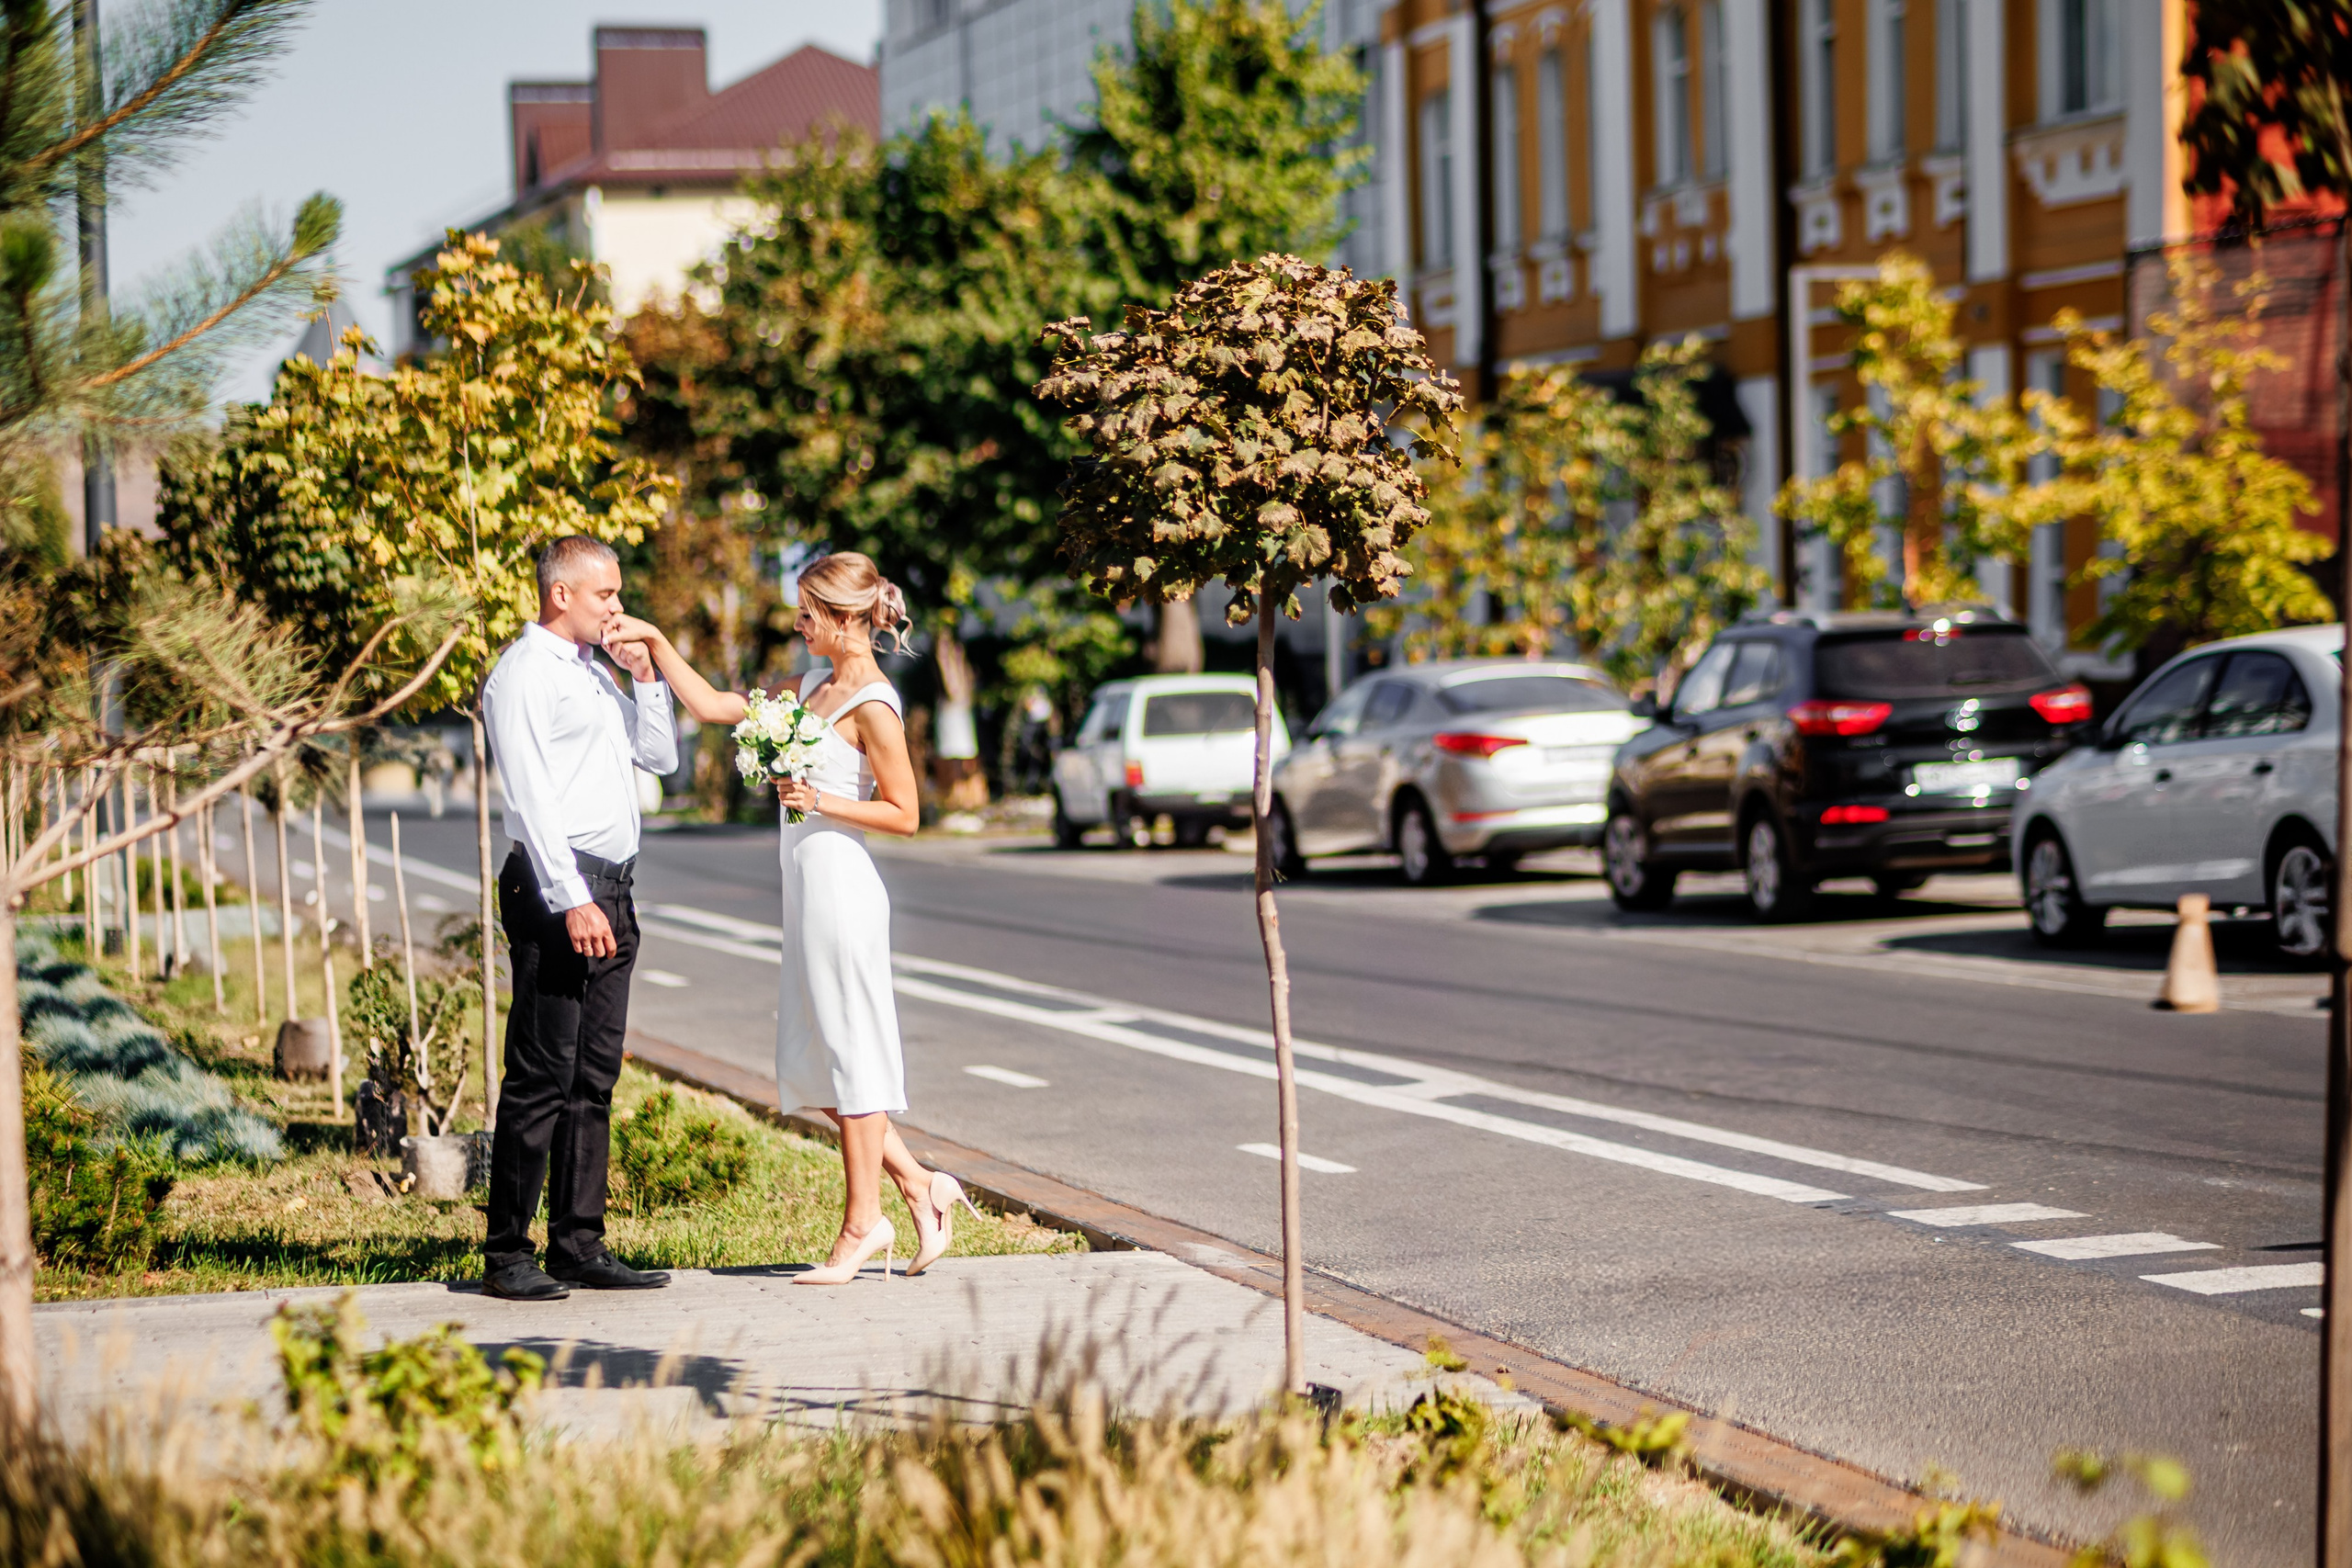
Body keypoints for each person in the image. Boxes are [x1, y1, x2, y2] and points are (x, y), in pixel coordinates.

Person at [605, 552, 978, 1282]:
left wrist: (821, 800)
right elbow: (715, 705)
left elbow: (905, 814)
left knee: (852, 1053)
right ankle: (921, 1187)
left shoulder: (872, 702)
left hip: (843, 889)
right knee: (822, 1056)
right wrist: (653, 641)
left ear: (843, 619)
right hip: (804, 885)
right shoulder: (805, 685)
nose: (798, 622)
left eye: (808, 611)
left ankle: (861, 1225)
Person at [478, 536, 679, 1302]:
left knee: (593, 1076)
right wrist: (574, 899)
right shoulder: (525, 673)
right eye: (607, 597)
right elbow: (530, 799)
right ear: (561, 594)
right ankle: (507, 1253)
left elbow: (658, 757)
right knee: (540, 1073)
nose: (619, 608)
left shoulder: (594, 674)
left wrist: (646, 676)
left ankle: (579, 1242)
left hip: (613, 890)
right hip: (559, 889)